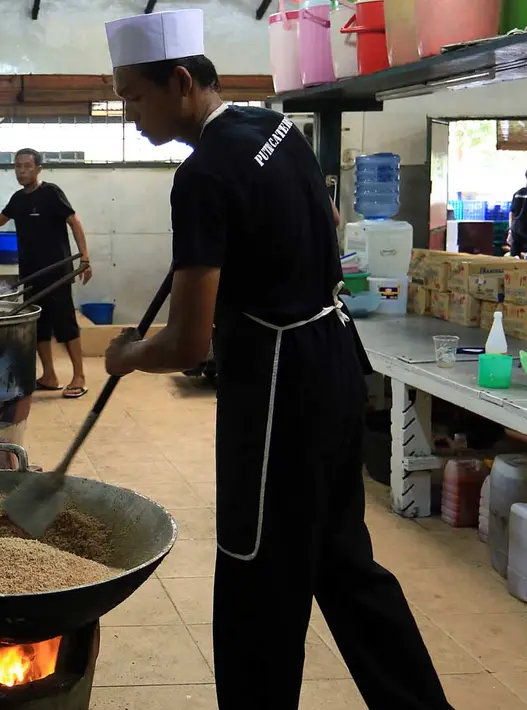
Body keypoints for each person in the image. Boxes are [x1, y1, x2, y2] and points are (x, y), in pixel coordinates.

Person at [100, 10, 452, 710]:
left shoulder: (201, 175)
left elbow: (187, 343)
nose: (129, 115)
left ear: (178, 80)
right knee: (341, 562)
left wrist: (127, 356)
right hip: (332, 353)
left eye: (134, 97)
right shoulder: (274, 127)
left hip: (276, 388)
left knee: (255, 575)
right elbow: (319, 236)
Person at [0, 148, 94, 398]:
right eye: (17, 166)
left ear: (38, 168)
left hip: (56, 269)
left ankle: (79, 375)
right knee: (37, 323)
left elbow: (74, 221)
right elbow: (0, 219)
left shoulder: (51, 193)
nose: (21, 171)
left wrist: (85, 257)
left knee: (65, 321)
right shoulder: (18, 199)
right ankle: (49, 375)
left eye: (27, 166)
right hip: (30, 271)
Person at [508, 169, 527, 257]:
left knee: (514, 257)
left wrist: (510, 231)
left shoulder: (517, 193)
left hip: (516, 228)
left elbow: (512, 214)